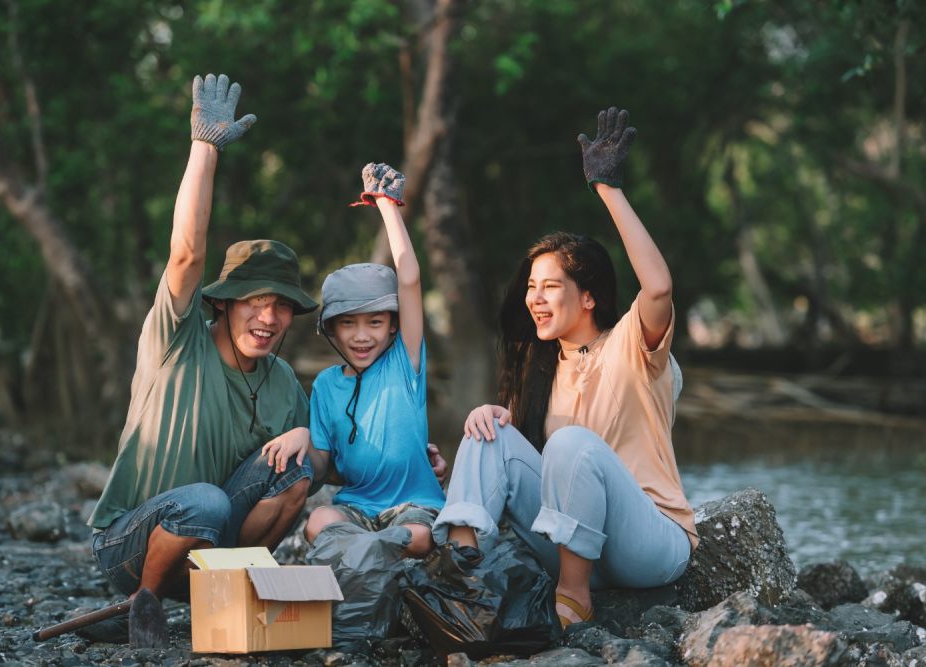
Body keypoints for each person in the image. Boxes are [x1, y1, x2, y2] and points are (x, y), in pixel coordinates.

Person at [431, 107, 698, 629]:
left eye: (550, 286)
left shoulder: (633, 347)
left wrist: (607, 188)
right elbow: (508, 465)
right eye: (531, 287)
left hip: (650, 544)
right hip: (577, 542)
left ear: (590, 296)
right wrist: (492, 414)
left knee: (571, 443)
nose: (535, 298)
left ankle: (573, 601)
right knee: (485, 430)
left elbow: (659, 287)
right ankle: (462, 581)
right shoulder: (540, 369)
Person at [82, 73, 320, 643]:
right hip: (129, 541)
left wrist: (315, 438)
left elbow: (327, 468)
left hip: (213, 536)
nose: (268, 318)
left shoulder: (284, 380)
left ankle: (222, 593)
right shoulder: (178, 337)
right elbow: (187, 253)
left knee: (298, 471)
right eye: (255, 303)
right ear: (226, 305)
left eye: (282, 307)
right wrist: (204, 146)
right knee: (205, 501)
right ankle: (143, 604)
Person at [262, 163, 445, 559]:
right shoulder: (327, 385)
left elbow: (410, 279)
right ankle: (371, 553)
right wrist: (302, 437)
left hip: (413, 507)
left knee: (420, 537)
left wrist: (386, 205)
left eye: (375, 322)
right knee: (318, 523)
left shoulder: (404, 362)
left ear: (393, 326)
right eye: (348, 325)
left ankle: (369, 555)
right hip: (357, 506)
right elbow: (323, 461)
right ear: (331, 329)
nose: (362, 336)